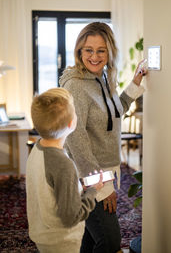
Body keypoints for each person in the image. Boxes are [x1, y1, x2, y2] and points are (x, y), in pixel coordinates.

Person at [59, 22, 147, 253]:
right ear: (79, 51)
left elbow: (115, 111)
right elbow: (75, 138)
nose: (95, 56)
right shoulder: (76, 85)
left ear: (110, 52)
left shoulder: (104, 78)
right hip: (88, 176)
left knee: (90, 240)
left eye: (101, 50)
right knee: (109, 241)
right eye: (88, 50)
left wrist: (135, 83)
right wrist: (101, 186)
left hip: (103, 170)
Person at [26, 87, 104, 253]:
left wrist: (77, 185)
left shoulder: (37, 147)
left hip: (42, 233)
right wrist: (92, 191)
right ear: (71, 123)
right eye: (75, 111)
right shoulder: (64, 165)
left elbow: (49, 185)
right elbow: (71, 217)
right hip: (62, 241)